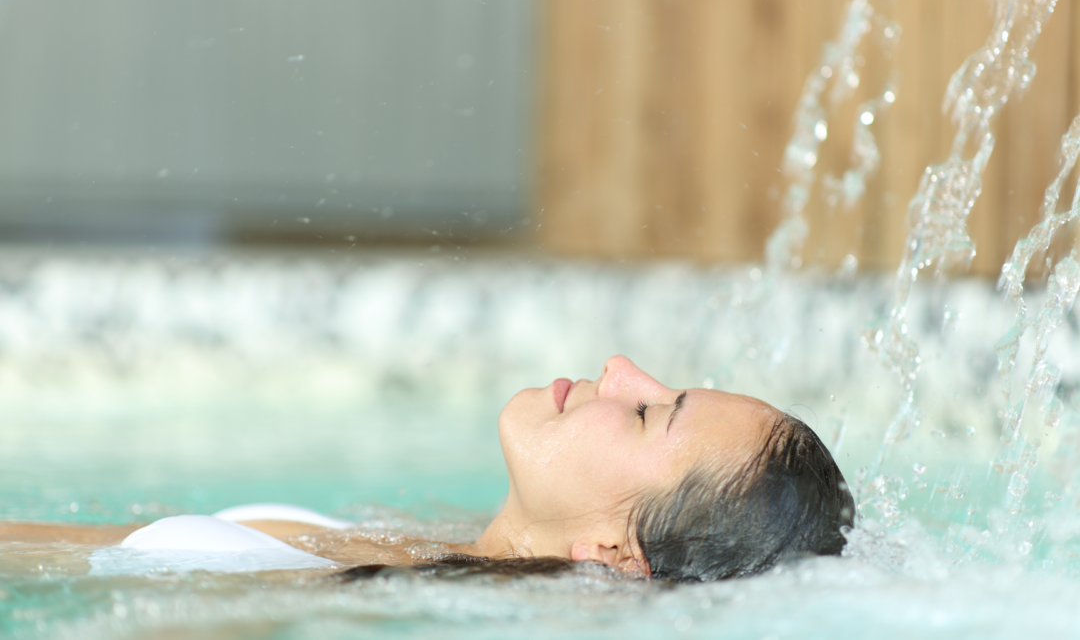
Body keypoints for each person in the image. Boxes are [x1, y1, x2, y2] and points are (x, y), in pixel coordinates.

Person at [0, 355, 854, 583]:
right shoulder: (423, 560)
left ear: (617, 553)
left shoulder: (291, 601)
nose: (621, 367)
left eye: (643, 412)